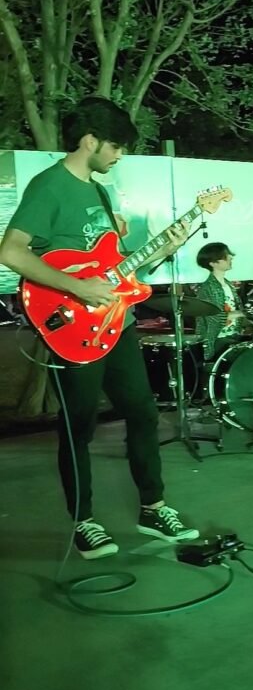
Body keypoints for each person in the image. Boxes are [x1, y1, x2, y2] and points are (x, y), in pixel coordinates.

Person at [0, 97, 199, 559]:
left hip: (117, 322)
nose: (120, 156)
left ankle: (153, 507)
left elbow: (115, 267)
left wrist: (163, 248)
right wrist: (78, 287)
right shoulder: (49, 186)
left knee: (143, 412)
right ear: (90, 141)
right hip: (71, 324)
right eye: (116, 146)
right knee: (80, 425)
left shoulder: (101, 193)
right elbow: (11, 251)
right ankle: (84, 521)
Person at [195, 242, 250, 361]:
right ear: (213, 263)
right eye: (225, 256)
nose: (230, 257)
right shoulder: (207, 289)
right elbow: (214, 318)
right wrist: (242, 313)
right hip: (217, 340)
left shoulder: (228, 285)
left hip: (233, 335)